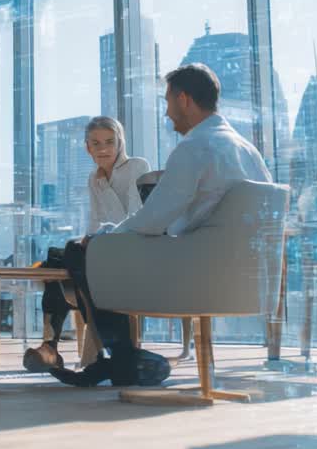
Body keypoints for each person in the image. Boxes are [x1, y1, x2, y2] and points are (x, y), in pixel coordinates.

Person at [50, 63, 273, 387]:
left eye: (167, 102)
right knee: (96, 247)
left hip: (197, 274)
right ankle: (119, 361)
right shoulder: (247, 149)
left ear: (184, 99)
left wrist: (102, 237)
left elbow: (153, 220)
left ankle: (123, 358)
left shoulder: (195, 147)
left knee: (79, 251)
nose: (167, 114)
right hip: (242, 277)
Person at [23, 116, 150, 373]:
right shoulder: (94, 178)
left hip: (132, 249)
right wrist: (89, 238)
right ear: (87, 148)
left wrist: (95, 237)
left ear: (120, 143)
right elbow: (94, 221)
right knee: (54, 262)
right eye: (96, 143)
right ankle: (50, 346)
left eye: (109, 142)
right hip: (105, 250)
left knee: (68, 255)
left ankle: (53, 348)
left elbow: (134, 218)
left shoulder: (137, 166)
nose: (103, 149)